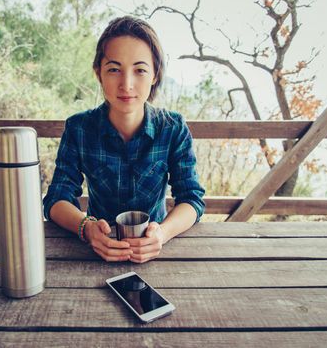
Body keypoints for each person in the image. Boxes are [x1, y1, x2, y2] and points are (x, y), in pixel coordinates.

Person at [43, 16, 205, 263]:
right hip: (93, 254)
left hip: (155, 254)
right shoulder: (79, 128)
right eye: (114, 69)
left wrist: (161, 233)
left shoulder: (172, 128)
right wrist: (86, 228)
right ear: (99, 73)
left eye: (140, 70)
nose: (126, 84)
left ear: (155, 75)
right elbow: (56, 198)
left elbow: (192, 198)